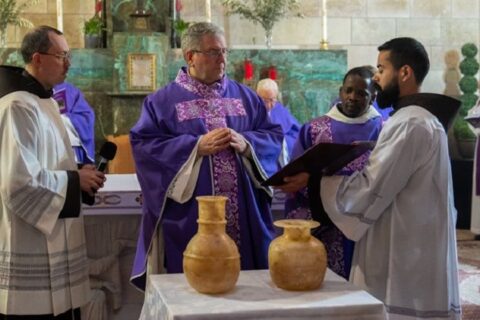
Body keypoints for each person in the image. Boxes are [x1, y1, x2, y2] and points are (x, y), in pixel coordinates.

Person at [279, 37, 461, 319]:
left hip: (404, 246)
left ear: (404, 73)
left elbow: (371, 186)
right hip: (416, 237)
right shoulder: (421, 119)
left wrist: (312, 181)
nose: (376, 77)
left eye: (381, 68)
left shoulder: (409, 123)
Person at [129, 22, 283, 291]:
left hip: (243, 212)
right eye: (213, 52)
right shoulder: (161, 102)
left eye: (224, 51)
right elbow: (144, 145)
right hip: (189, 216)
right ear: (191, 56)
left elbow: (273, 135)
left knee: (247, 289)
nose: (222, 59)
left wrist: (246, 143)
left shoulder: (246, 98)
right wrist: (195, 146)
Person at [0, 26, 105, 319]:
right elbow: (17, 182)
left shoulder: (42, 101)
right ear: (38, 58)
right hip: (29, 243)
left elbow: (47, 163)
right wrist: (73, 182)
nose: (68, 63)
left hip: (52, 235)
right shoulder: (17, 106)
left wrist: (77, 174)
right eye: (62, 56)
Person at [283, 66, 383, 280]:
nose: (352, 97)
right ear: (340, 91)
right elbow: (296, 174)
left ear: (373, 97)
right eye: (348, 91)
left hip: (366, 220)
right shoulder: (314, 129)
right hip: (323, 220)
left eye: (361, 93)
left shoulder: (383, 130)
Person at [256, 78, 300, 167]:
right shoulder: (251, 110)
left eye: (272, 100)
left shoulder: (280, 110)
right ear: (257, 96)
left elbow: (297, 134)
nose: (268, 105)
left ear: (276, 97)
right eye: (265, 100)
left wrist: (282, 142)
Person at [53, 81, 96, 164]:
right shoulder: (28, 91)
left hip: (70, 150)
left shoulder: (68, 90)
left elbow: (86, 118)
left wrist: (61, 119)